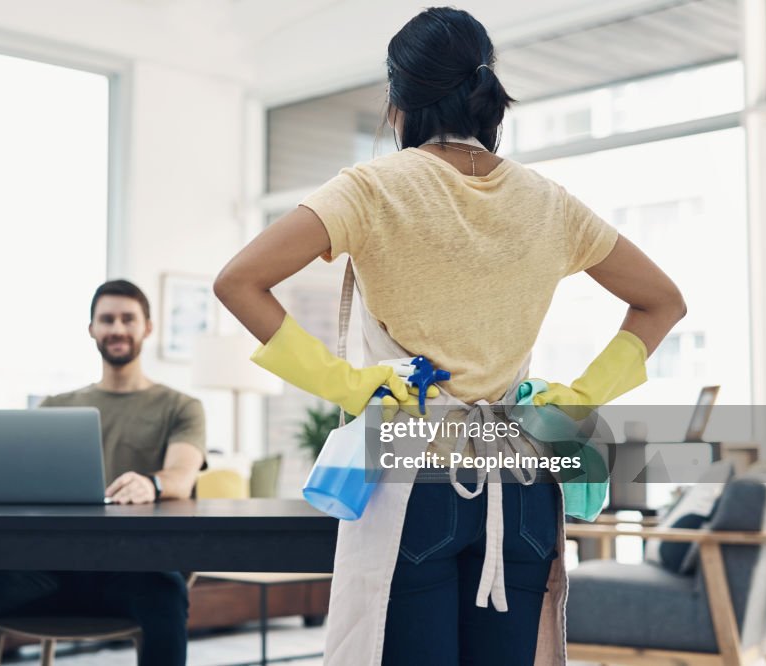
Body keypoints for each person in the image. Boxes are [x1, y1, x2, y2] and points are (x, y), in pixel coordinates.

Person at [214, 7, 685, 666]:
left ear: (397, 101)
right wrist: (576, 399)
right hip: (521, 483)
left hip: (414, 480)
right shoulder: (549, 202)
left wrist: (345, 384)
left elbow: (239, 282)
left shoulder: (373, 188)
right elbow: (662, 302)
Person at [0, 279, 206, 666]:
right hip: (46, 572)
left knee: (167, 593)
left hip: (130, 571)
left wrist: (153, 483)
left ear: (147, 328)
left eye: (128, 319)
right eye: (107, 319)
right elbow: (22, 486)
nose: (117, 329)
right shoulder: (56, 405)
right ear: (92, 329)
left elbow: (182, 476)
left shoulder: (181, 406)